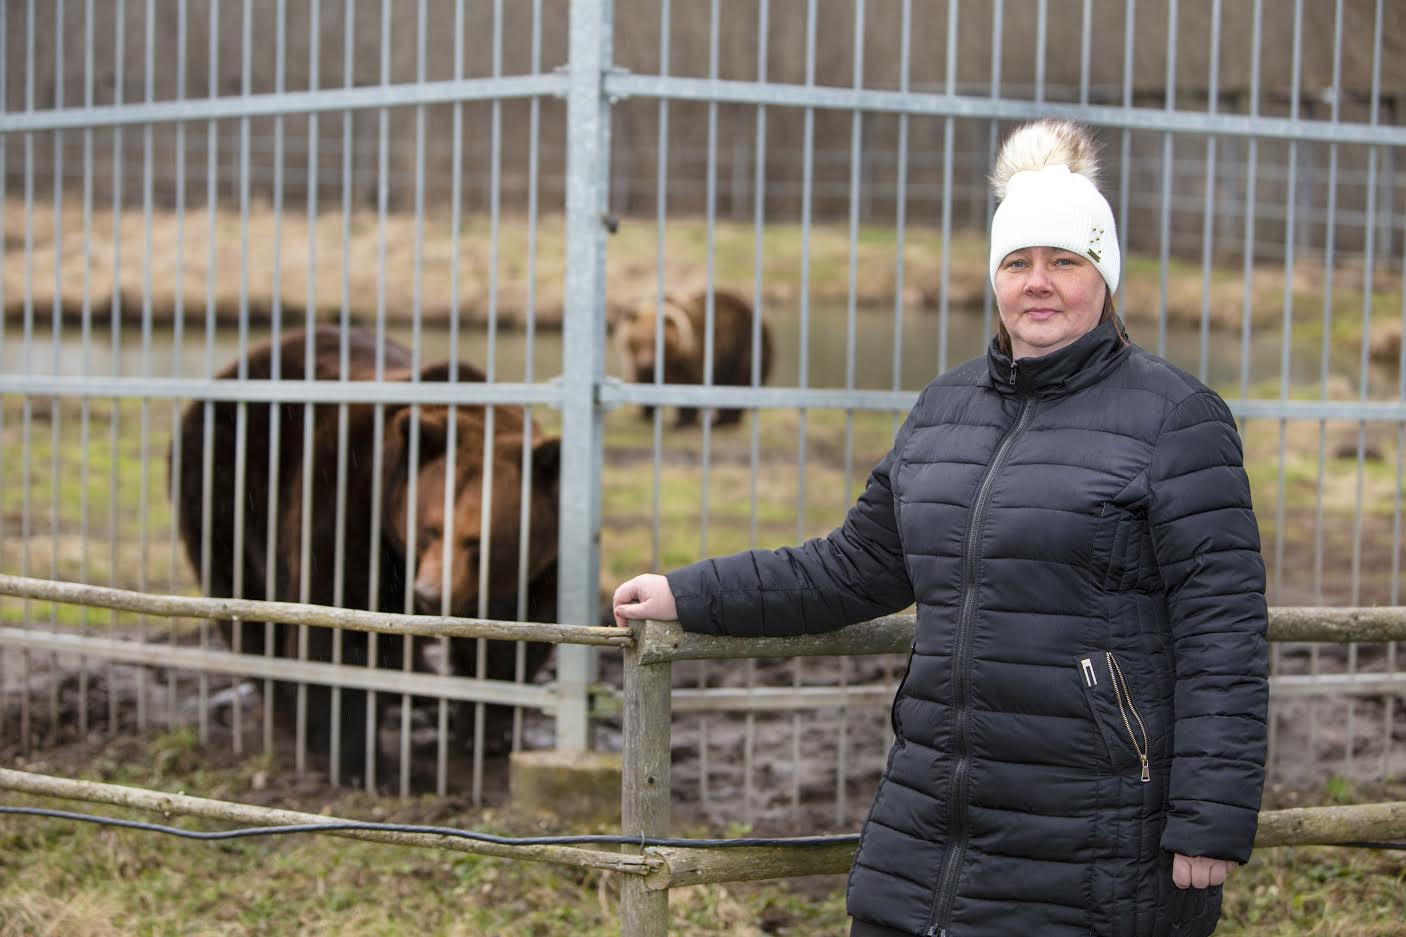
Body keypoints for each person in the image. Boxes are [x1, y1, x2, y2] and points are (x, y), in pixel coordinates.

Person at [613, 119, 1268, 937]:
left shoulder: (1176, 418)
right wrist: (687, 592)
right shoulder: (943, 410)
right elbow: (851, 566)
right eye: (1019, 261)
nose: (1040, 282)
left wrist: (1210, 819)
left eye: (1066, 261)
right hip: (929, 830)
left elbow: (1224, 631)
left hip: (1093, 842)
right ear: (994, 276)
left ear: (1104, 276)